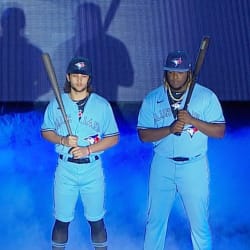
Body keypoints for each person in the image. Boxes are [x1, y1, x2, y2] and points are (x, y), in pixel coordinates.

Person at [137, 50, 225, 250]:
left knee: (199, 224)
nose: (176, 76)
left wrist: (192, 120)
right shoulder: (153, 98)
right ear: (165, 73)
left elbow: (219, 131)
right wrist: (169, 129)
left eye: (180, 72)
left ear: (189, 73)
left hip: (194, 166)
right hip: (163, 164)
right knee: (155, 222)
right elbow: (143, 135)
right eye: (171, 72)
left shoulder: (205, 96)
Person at [41, 56, 119, 250]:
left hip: (92, 169)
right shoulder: (56, 103)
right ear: (68, 77)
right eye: (75, 75)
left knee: (96, 220)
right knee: (61, 220)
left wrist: (87, 149)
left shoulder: (101, 105)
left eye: (83, 76)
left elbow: (113, 137)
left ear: (89, 78)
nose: (78, 80)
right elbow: (45, 131)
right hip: (65, 169)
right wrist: (63, 140)